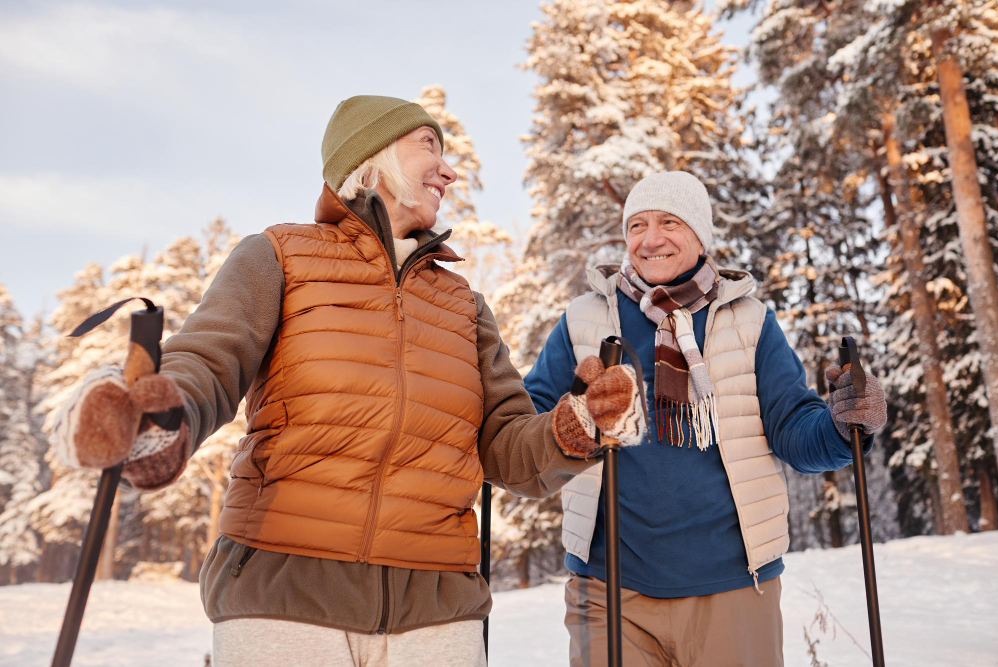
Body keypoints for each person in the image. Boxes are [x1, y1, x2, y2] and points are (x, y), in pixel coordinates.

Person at [51, 95, 646, 667]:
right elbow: (206, 362)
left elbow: (509, 448)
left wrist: (579, 424)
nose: (451, 170)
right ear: (375, 156)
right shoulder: (280, 256)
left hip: (436, 608)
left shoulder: (462, 304)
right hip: (285, 596)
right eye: (429, 145)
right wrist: (158, 415)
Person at [523, 171, 888, 667]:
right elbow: (526, 432)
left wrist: (845, 425)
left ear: (700, 235)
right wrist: (574, 418)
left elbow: (794, 430)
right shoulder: (586, 320)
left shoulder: (748, 320)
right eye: (637, 226)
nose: (650, 239)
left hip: (734, 586)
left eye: (669, 222)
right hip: (608, 589)